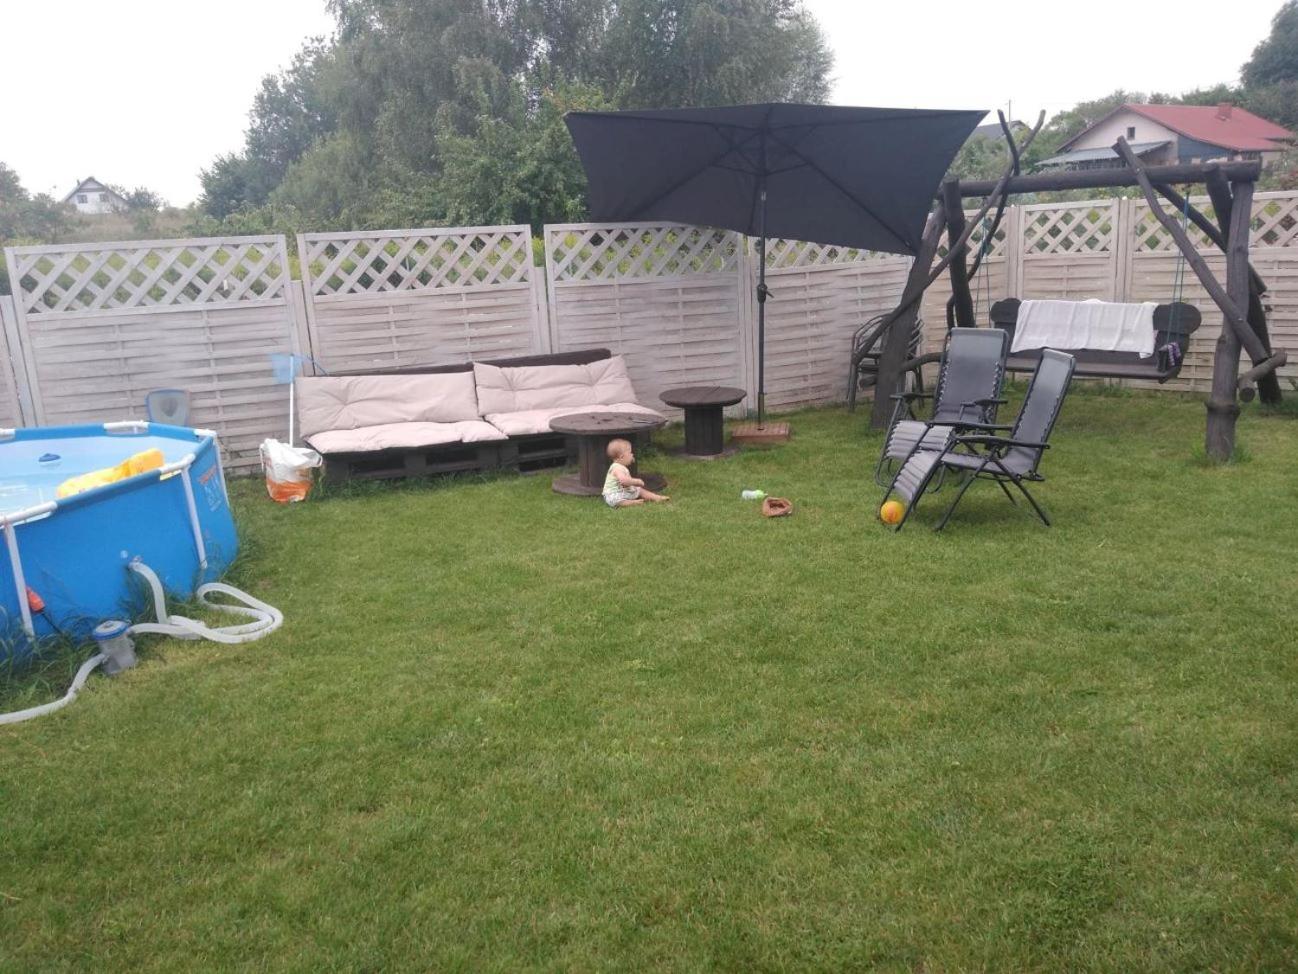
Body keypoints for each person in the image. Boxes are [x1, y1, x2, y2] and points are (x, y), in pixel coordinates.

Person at [602, 438, 669, 508]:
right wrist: (636, 481)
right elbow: (624, 481)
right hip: (613, 496)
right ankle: (632, 502)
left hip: (620, 493)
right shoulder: (618, 468)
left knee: (639, 490)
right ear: (621, 457)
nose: (632, 454)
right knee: (620, 501)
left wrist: (630, 459)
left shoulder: (618, 466)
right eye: (630, 453)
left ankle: (656, 498)